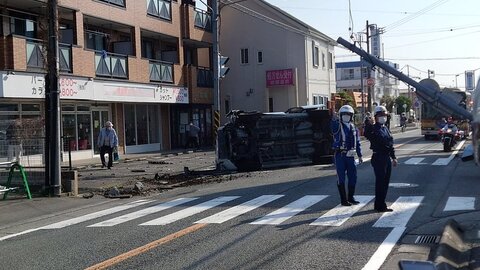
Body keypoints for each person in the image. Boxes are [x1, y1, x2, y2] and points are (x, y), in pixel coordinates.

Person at [364, 106, 398, 212]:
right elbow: (367, 134)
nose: (383, 117)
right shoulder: (374, 128)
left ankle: (380, 203)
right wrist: (368, 123)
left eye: (384, 115)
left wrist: (393, 157)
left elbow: (390, 143)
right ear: (376, 117)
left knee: (385, 182)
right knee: (380, 182)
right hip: (378, 157)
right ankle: (380, 205)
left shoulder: (385, 128)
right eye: (380, 115)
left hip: (386, 157)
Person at [331, 105, 363, 206]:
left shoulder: (354, 128)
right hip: (340, 155)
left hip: (351, 156)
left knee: (353, 177)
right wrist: (333, 118)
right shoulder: (337, 126)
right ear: (340, 115)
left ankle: (351, 197)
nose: (346, 116)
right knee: (341, 178)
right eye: (344, 115)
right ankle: (343, 200)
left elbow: (357, 142)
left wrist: (360, 155)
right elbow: (332, 127)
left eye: (348, 115)